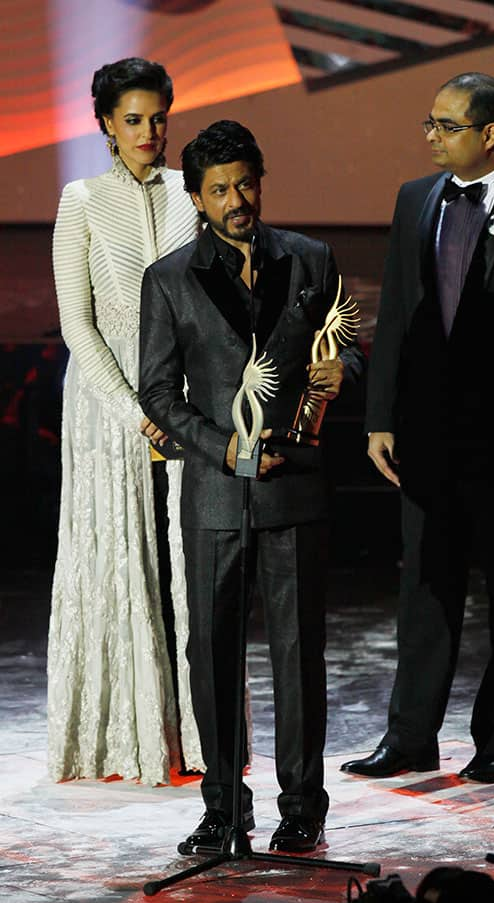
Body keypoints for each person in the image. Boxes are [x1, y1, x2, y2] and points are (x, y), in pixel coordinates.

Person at [341, 73, 494, 785]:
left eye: (445, 126)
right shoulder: (417, 199)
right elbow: (399, 318)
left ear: (490, 135)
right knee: (425, 587)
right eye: (430, 123)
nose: (431, 136)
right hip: (427, 437)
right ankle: (410, 737)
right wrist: (380, 416)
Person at [139, 120, 364, 851]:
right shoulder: (169, 279)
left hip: (295, 488)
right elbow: (160, 395)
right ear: (197, 199)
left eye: (245, 183)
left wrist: (345, 374)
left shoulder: (310, 258)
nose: (236, 199)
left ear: (259, 181)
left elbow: (346, 345)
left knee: (300, 657)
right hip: (213, 494)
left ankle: (303, 810)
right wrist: (226, 448)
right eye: (219, 190)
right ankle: (223, 808)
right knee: (212, 656)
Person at [48, 57, 204, 785]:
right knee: (122, 564)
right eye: (133, 119)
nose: (148, 132)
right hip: (107, 406)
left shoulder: (191, 192)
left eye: (159, 117)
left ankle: (195, 738)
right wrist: (131, 408)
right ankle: (122, 735)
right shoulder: (80, 199)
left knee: (188, 564)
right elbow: (76, 323)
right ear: (105, 123)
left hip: (187, 400)